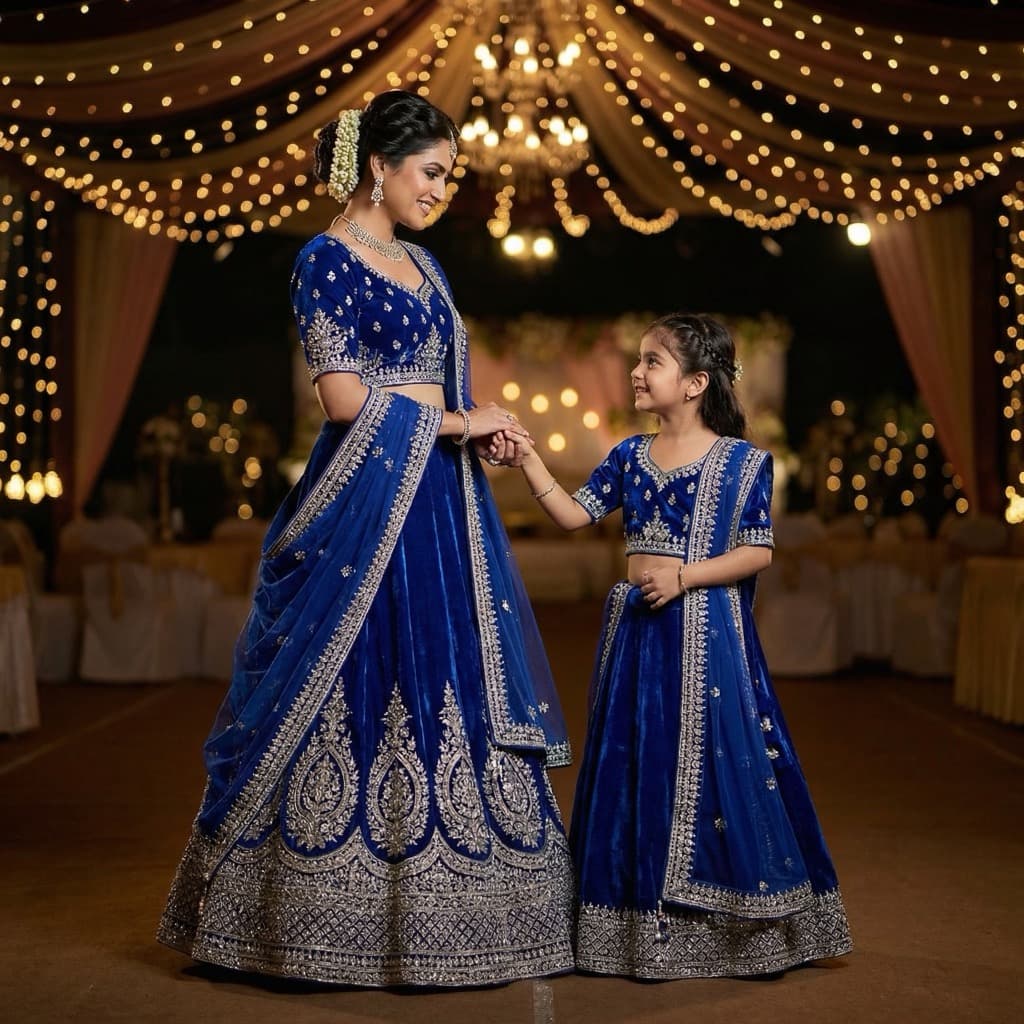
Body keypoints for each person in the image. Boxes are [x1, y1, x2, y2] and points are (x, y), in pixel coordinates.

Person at [157, 90, 574, 987]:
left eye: (448, 177)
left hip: (441, 507)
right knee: (360, 671)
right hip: (363, 511)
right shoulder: (325, 258)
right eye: (431, 173)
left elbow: (441, 387)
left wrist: (481, 434)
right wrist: (461, 425)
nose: (441, 191)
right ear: (378, 166)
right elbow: (344, 401)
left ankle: (467, 910)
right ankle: (314, 920)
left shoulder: (428, 266)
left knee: (450, 672)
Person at [503, 312, 852, 979]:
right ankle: (627, 929)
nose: (637, 372)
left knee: (718, 765)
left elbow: (757, 551)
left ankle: (727, 929)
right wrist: (529, 460)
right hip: (637, 636)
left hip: (707, 638)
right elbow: (575, 514)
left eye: (653, 362)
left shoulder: (743, 462)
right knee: (636, 763)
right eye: (639, 359)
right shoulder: (629, 456)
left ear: (694, 383)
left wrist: (685, 575)